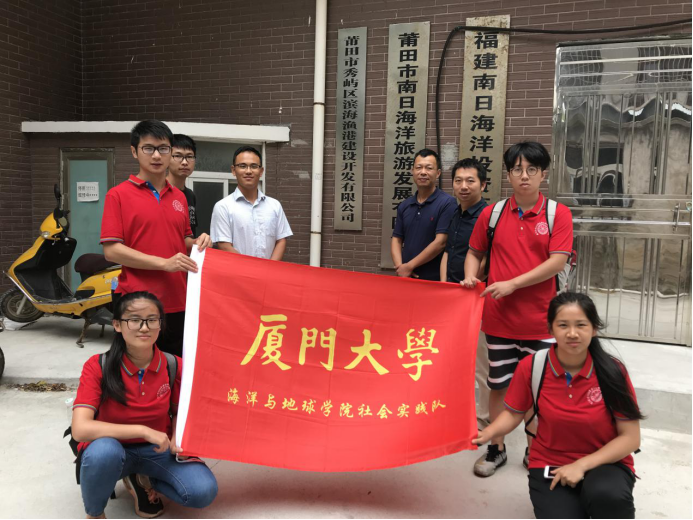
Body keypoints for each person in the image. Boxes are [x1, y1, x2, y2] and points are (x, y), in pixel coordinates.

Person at [473, 292, 642, 519]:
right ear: (550, 330)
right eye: (563, 325)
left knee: (607, 496)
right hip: (549, 462)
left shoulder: (612, 372)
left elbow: (631, 438)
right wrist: (488, 433)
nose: (572, 333)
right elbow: (514, 414)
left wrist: (581, 465)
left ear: (594, 329)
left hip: (606, 461)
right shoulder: (532, 366)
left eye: (581, 325)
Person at [462, 141, 574, 477]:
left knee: (539, 390)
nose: (524, 176)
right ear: (508, 174)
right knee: (498, 385)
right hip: (498, 321)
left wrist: (513, 284)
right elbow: (475, 252)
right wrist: (470, 276)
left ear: (543, 174)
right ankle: (496, 449)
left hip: (541, 322)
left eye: (531, 170)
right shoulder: (492, 214)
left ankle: (535, 451)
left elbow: (557, 262)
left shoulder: (557, 214)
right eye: (517, 169)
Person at [72, 291, 218, 519]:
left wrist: (176, 436)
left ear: (160, 324)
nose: (144, 327)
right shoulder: (98, 366)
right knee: (104, 453)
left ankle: (144, 479)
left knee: (203, 491)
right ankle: (95, 513)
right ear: (117, 325)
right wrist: (142, 431)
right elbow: (80, 429)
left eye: (152, 320)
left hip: (158, 450)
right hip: (114, 451)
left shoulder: (173, 365)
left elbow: (180, 412)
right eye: (134, 320)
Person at [101, 120, 211, 358]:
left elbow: (182, 241)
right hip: (138, 302)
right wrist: (164, 263)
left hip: (179, 300)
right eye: (148, 148)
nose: (157, 155)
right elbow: (112, 251)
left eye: (163, 148)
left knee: (176, 367)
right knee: (137, 367)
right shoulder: (118, 195)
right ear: (134, 151)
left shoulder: (180, 198)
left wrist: (200, 241)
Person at [439, 158, 490, 430]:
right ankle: (453, 409)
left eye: (470, 181)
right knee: (453, 359)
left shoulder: (488, 216)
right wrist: (444, 287)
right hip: (453, 297)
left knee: (481, 364)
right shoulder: (455, 213)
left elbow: (486, 256)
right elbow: (448, 251)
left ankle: (483, 417)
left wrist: (472, 283)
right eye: (458, 181)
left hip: (476, 299)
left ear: (483, 184)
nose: (463, 186)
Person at [210, 145, 292, 259]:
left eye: (254, 166)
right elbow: (224, 245)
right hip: (237, 270)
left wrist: (270, 267)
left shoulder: (274, 206)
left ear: (261, 171)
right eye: (242, 166)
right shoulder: (223, 207)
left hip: (269, 270)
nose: (248, 171)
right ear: (233, 170)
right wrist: (252, 269)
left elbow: (281, 240)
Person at [391, 148, 457, 281]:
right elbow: (396, 239)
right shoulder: (405, 205)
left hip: (433, 279)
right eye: (418, 167)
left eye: (429, 168)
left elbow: (440, 242)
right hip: (406, 277)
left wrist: (410, 266)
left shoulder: (447, 203)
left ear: (438, 173)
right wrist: (401, 267)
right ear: (412, 171)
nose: (423, 172)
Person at [167, 134, 198, 236]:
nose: (184, 162)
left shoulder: (190, 195)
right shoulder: (159, 192)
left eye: (189, 157)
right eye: (178, 156)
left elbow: (191, 232)